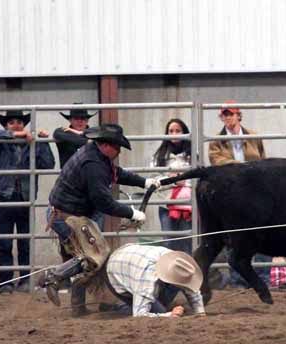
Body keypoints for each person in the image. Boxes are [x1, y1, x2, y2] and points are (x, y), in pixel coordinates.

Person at [46, 123, 160, 317]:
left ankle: (79, 307)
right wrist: (131, 213)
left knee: (84, 256)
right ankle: (54, 277)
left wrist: (143, 181)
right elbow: (103, 202)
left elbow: (117, 174)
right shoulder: (94, 165)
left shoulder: (95, 155)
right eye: (117, 147)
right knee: (95, 255)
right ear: (106, 145)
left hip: (66, 214)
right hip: (68, 216)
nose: (118, 151)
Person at [0, 110, 55, 294]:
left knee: (25, 242)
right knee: (5, 243)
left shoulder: (33, 144)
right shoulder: (0, 144)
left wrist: (43, 142)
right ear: (6, 126)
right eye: (11, 123)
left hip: (25, 198)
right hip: (5, 197)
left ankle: (24, 281)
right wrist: (16, 135)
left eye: (19, 123)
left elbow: (48, 164)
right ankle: (5, 282)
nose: (16, 125)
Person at [208, 100, 270, 287]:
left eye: (231, 114)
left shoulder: (253, 136)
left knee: (261, 231)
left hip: (255, 189)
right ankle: (239, 279)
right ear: (222, 117)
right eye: (225, 114)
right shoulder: (216, 141)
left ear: (238, 115)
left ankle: (263, 276)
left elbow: (262, 160)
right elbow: (216, 161)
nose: (228, 117)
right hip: (233, 192)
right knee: (236, 234)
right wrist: (241, 168)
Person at [105, 244, 205, 317]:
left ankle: (144, 303)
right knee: (160, 310)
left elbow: (191, 288)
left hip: (129, 257)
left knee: (160, 302)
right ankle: (121, 308)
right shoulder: (148, 276)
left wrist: (200, 312)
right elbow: (140, 315)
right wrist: (169, 315)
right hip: (116, 271)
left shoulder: (176, 261)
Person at [151, 118, 192, 254]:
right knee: (168, 244)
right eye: (171, 131)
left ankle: (188, 275)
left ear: (184, 132)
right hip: (166, 206)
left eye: (178, 131)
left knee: (187, 242)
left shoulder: (193, 155)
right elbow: (154, 182)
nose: (174, 134)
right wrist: (172, 181)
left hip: (188, 206)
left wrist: (183, 180)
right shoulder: (159, 156)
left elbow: (199, 178)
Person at [53, 104, 97, 168]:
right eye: (76, 118)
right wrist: (87, 141)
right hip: (70, 174)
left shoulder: (94, 133)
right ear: (70, 120)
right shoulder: (62, 132)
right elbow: (57, 133)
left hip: (90, 173)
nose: (79, 121)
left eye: (82, 118)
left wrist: (81, 133)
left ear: (87, 121)